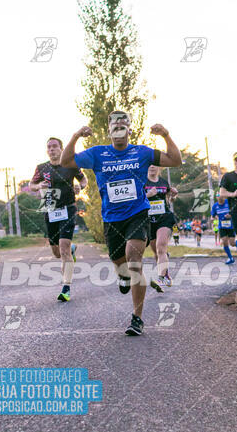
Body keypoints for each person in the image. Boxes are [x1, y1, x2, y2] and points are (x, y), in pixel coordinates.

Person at [60, 110, 182, 335]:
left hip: (137, 213)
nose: (118, 126)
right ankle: (123, 277)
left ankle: (137, 318)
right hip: (111, 219)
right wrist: (76, 135)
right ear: (108, 131)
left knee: (134, 258)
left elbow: (176, 160)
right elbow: (65, 161)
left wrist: (165, 135)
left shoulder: (142, 152)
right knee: (121, 265)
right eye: (114, 123)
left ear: (129, 129)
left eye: (123, 123)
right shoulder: (97, 154)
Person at [29, 137, 87, 301]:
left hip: (68, 208)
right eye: (49, 147)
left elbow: (83, 179)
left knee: (63, 249)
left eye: (55, 146)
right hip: (49, 209)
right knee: (56, 252)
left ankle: (66, 288)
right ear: (47, 150)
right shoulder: (41, 168)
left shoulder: (70, 164)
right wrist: (39, 186)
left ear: (61, 149)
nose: (52, 149)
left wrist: (80, 186)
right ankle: (73, 249)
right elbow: (31, 185)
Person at [144, 165, 177, 290]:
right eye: (149, 164)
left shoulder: (163, 182)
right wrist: (148, 194)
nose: (151, 166)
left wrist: (173, 195)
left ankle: (161, 278)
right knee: (157, 252)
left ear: (159, 167)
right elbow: (135, 200)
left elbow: (169, 201)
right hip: (149, 221)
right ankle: (166, 274)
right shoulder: (141, 181)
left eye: (154, 164)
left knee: (161, 246)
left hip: (164, 218)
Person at [211, 192, 237, 264]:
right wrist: (213, 218)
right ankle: (230, 258)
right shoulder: (215, 206)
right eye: (218, 196)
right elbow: (212, 215)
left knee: (232, 243)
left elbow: (235, 211)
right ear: (216, 197)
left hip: (230, 226)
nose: (220, 197)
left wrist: (230, 215)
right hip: (222, 226)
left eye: (221, 196)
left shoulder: (228, 203)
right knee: (224, 242)